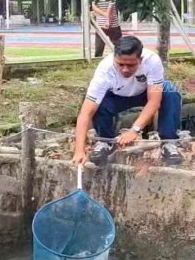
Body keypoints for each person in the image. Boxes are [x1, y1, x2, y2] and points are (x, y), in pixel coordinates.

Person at [71, 36, 183, 166]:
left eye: (131, 65)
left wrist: (134, 130)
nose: (125, 69)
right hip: (116, 97)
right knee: (97, 101)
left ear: (140, 60)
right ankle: (105, 141)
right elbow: (86, 112)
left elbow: (154, 101)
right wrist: (79, 151)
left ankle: (168, 142)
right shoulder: (104, 70)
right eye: (120, 64)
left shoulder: (152, 61)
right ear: (114, 58)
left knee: (170, 92)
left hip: (144, 93)